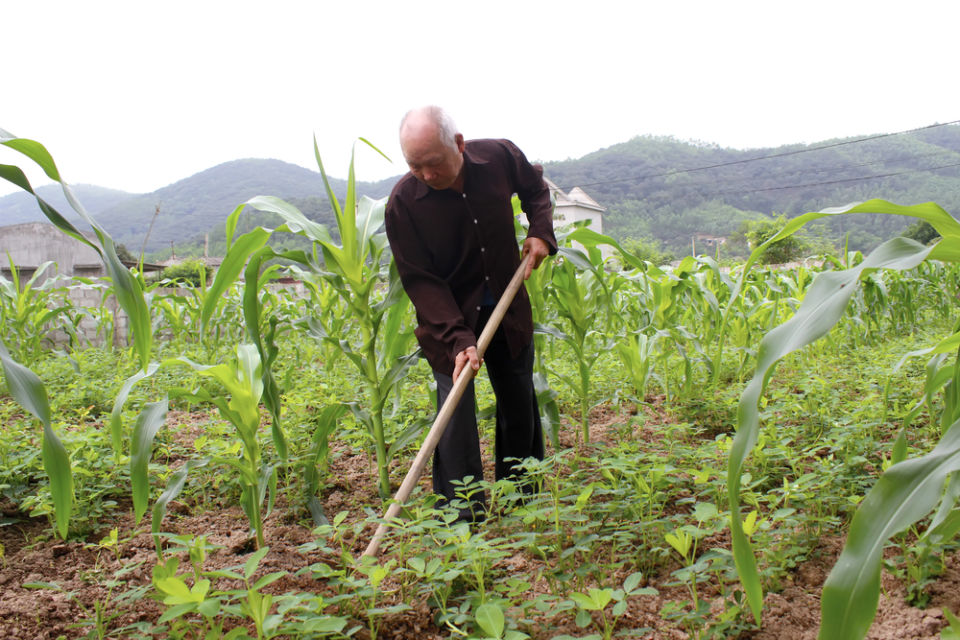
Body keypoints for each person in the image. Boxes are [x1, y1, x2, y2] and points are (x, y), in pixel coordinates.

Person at [384, 105, 557, 521]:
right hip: (449, 322)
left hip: (507, 307)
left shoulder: (499, 157)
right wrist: (458, 339)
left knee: (518, 400)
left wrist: (540, 232)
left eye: (433, 163)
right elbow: (420, 280)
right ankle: (462, 516)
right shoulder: (403, 204)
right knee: (455, 416)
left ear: (458, 145)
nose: (425, 174)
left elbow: (536, 189)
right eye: (414, 166)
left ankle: (522, 500)